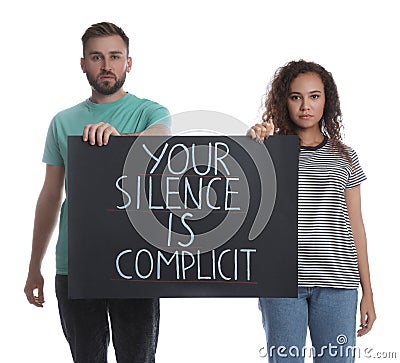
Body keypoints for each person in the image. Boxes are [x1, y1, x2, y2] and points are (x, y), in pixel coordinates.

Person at [24, 22, 170, 363]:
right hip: (75, 262)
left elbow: (161, 139)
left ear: (128, 63)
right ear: (83, 64)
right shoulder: (63, 121)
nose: (106, 65)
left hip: (137, 262)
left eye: (115, 56)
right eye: (97, 57)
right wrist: (34, 267)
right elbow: (50, 196)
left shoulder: (150, 111)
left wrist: (117, 141)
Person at [248, 60, 376, 363]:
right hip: (282, 281)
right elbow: (246, 200)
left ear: (326, 100)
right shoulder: (271, 152)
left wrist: (367, 292)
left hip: (338, 282)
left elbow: (356, 227)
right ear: (285, 101)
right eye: (296, 97)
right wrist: (254, 144)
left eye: (314, 96)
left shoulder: (345, 157)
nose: (305, 105)